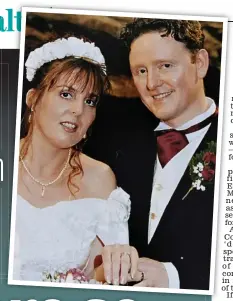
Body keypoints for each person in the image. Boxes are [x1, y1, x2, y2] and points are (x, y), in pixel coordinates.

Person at [86, 19, 219, 290]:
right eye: (141, 70)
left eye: (165, 66)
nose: (151, 83)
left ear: (201, 63)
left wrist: (176, 278)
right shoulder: (116, 145)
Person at [11, 35, 133, 283]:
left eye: (90, 101)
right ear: (33, 99)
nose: (79, 110)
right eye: (66, 94)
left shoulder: (100, 180)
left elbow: (104, 279)